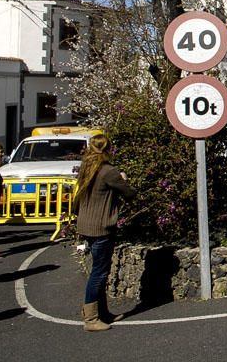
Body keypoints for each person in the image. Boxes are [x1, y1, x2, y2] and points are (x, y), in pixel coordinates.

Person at [74, 135, 135, 331]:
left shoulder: (87, 169)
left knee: (99, 270)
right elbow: (129, 193)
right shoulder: (108, 171)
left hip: (86, 225)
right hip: (101, 226)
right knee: (99, 273)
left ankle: (102, 312)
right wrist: (123, 179)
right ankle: (91, 318)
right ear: (108, 149)